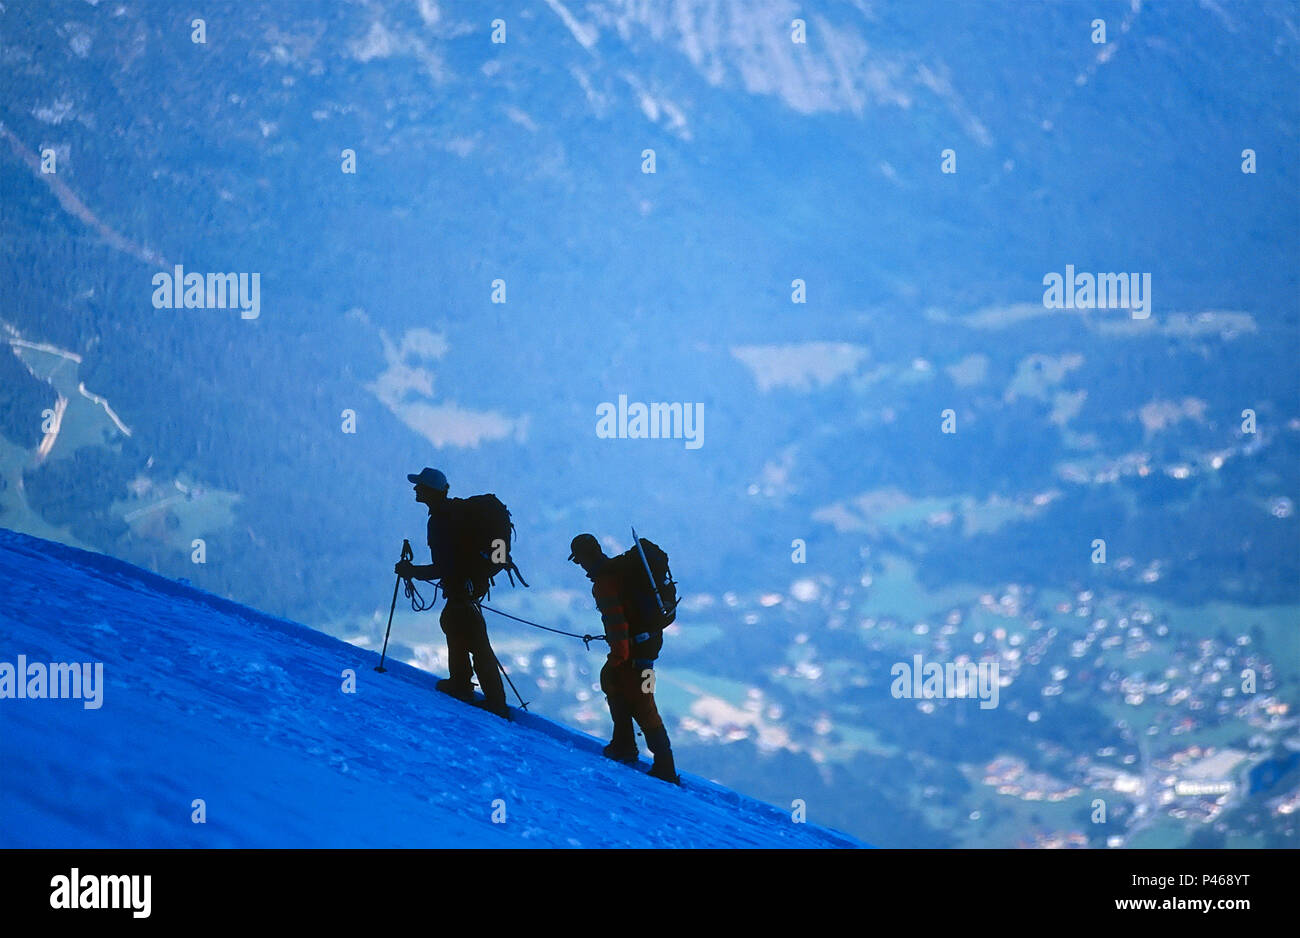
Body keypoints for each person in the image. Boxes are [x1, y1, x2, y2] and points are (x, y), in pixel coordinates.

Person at [396, 467, 509, 719]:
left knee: (474, 639)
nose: (415, 489)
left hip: (462, 586)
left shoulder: (440, 520)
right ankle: (463, 684)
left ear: (429, 491)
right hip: (469, 585)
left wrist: (411, 571)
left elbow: (442, 567)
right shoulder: (452, 515)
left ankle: (491, 700)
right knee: (457, 626)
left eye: (420, 486)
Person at [568, 533, 679, 784]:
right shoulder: (618, 572)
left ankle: (665, 767)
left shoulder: (604, 583)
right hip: (647, 646)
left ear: (586, 557)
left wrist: (619, 656)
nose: (581, 566)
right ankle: (624, 745)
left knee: (643, 702)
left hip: (635, 653)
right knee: (613, 681)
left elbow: (616, 624)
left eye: (579, 561)